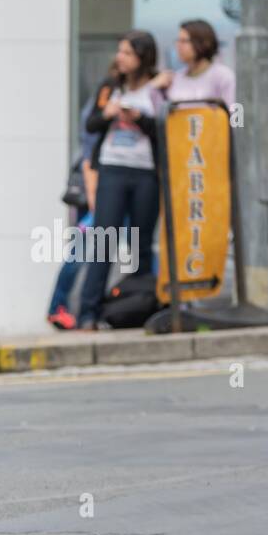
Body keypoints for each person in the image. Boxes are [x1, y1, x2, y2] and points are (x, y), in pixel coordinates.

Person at [75, 30, 162, 329]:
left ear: (142, 57)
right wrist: (110, 112)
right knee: (103, 240)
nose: (120, 57)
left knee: (141, 244)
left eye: (127, 52)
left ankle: (136, 310)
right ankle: (88, 313)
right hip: (112, 168)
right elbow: (91, 124)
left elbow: (164, 130)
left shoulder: (157, 87)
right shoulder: (110, 86)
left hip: (146, 173)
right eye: (120, 51)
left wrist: (140, 118)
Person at [47, 90, 104, 330]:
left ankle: (79, 309)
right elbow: (89, 156)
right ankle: (59, 307)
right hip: (90, 193)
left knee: (103, 251)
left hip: (102, 190)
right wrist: (93, 197)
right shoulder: (102, 103)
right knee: (81, 250)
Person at [150, 19, 235, 106]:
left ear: (204, 43)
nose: (178, 46)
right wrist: (154, 88)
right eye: (178, 41)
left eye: (184, 41)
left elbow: (235, 114)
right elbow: (161, 116)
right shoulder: (175, 79)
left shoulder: (222, 76)